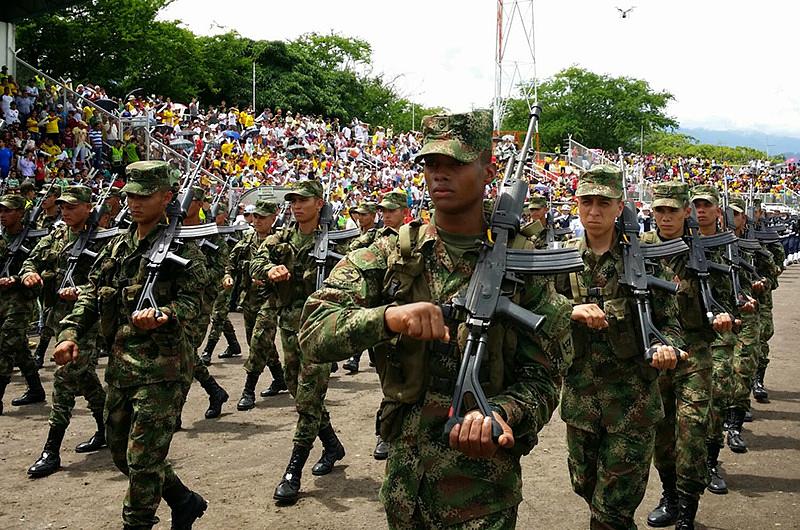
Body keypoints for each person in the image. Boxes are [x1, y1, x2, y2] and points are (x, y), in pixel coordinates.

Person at [299, 110, 573, 527]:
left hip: (482, 495)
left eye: (456, 163)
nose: (439, 175)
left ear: (488, 170)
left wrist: (501, 413)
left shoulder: (522, 265)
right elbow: (314, 330)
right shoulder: (393, 253)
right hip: (404, 486)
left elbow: (545, 377)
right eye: (431, 164)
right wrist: (388, 318)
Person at [53, 161, 208, 530]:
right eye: (130, 196)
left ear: (167, 197)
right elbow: (92, 293)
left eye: (144, 195)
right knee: (123, 452)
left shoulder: (185, 249)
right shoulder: (119, 246)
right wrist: (70, 333)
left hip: (164, 369)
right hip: (122, 366)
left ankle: (136, 523)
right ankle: (184, 500)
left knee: (142, 462)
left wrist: (164, 314)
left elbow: (195, 302)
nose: (134, 203)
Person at [555, 165, 685, 529]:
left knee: (613, 509)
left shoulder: (643, 257)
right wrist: (570, 310)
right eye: (586, 201)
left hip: (633, 404)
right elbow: (538, 312)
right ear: (576, 204)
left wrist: (668, 349)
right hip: (580, 402)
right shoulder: (560, 258)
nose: (594, 210)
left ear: (619, 207)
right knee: (586, 488)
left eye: (603, 202)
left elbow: (671, 324)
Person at [642, 181, 736, 528]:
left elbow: (727, 296)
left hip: (695, 351)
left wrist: (725, 314)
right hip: (656, 351)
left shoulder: (705, 249)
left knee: (692, 427)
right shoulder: (638, 249)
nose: (665, 217)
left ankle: (687, 505)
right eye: (659, 211)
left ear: (685, 212)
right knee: (662, 432)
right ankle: (669, 492)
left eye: (672, 210)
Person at [250, 179, 348, 504]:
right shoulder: (281, 239)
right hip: (290, 328)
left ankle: (293, 472)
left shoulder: (334, 240)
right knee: (297, 389)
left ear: (319, 203)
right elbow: (256, 261)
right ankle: (332, 444)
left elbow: (354, 274)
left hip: (321, 331)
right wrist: (270, 269)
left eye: (303, 200)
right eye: (293, 200)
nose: (296, 205)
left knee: (308, 399)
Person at [21, 186, 110, 477]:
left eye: (72, 206)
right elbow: (31, 259)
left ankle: (51, 449)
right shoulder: (57, 236)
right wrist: (29, 273)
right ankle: (106, 426)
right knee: (85, 380)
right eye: (63, 207)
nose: (66, 212)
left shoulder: (104, 239)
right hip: (60, 319)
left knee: (64, 379)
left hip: (86, 322)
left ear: (88, 207)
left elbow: (108, 283)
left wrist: (82, 291)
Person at [228, 199, 286, 410]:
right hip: (249, 299)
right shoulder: (246, 240)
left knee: (259, 341)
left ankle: (248, 389)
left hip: (270, 299)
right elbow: (231, 262)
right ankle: (280, 378)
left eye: (263, 217)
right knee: (263, 343)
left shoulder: (281, 242)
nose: (257, 221)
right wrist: (228, 276)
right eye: (256, 217)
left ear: (273, 218)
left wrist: (272, 276)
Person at [180, 186, 230, 421]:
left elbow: (221, 266)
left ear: (199, 204)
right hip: (175, 300)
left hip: (200, 302)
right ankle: (214, 391)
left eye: (188, 200)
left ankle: (175, 412)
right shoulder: (173, 229)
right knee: (182, 353)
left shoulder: (208, 233)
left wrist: (200, 276)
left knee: (186, 351)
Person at [0, 194, 47, 413]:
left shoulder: (33, 239)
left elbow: (44, 269)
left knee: (5, 346)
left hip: (20, 299)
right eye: (1, 211)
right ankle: (36, 389)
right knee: (18, 347)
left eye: (8, 210)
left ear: (20, 213)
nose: (3, 215)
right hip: (2, 297)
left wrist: (19, 279)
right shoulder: (2, 237)